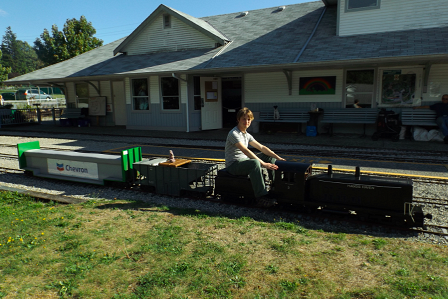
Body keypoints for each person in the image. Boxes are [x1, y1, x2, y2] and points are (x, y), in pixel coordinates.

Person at [225, 107, 286, 207]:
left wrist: (278, 157)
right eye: (244, 119)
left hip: (244, 161)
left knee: (269, 157)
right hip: (233, 165)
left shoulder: (246, 134)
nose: (246, 121)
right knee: (255, 163)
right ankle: (261, 197)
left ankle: (274, 186)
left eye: (249, 119)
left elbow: (261, 147)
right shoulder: (233, 133)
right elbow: (245, 150)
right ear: (238, 119)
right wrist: (263, 164)